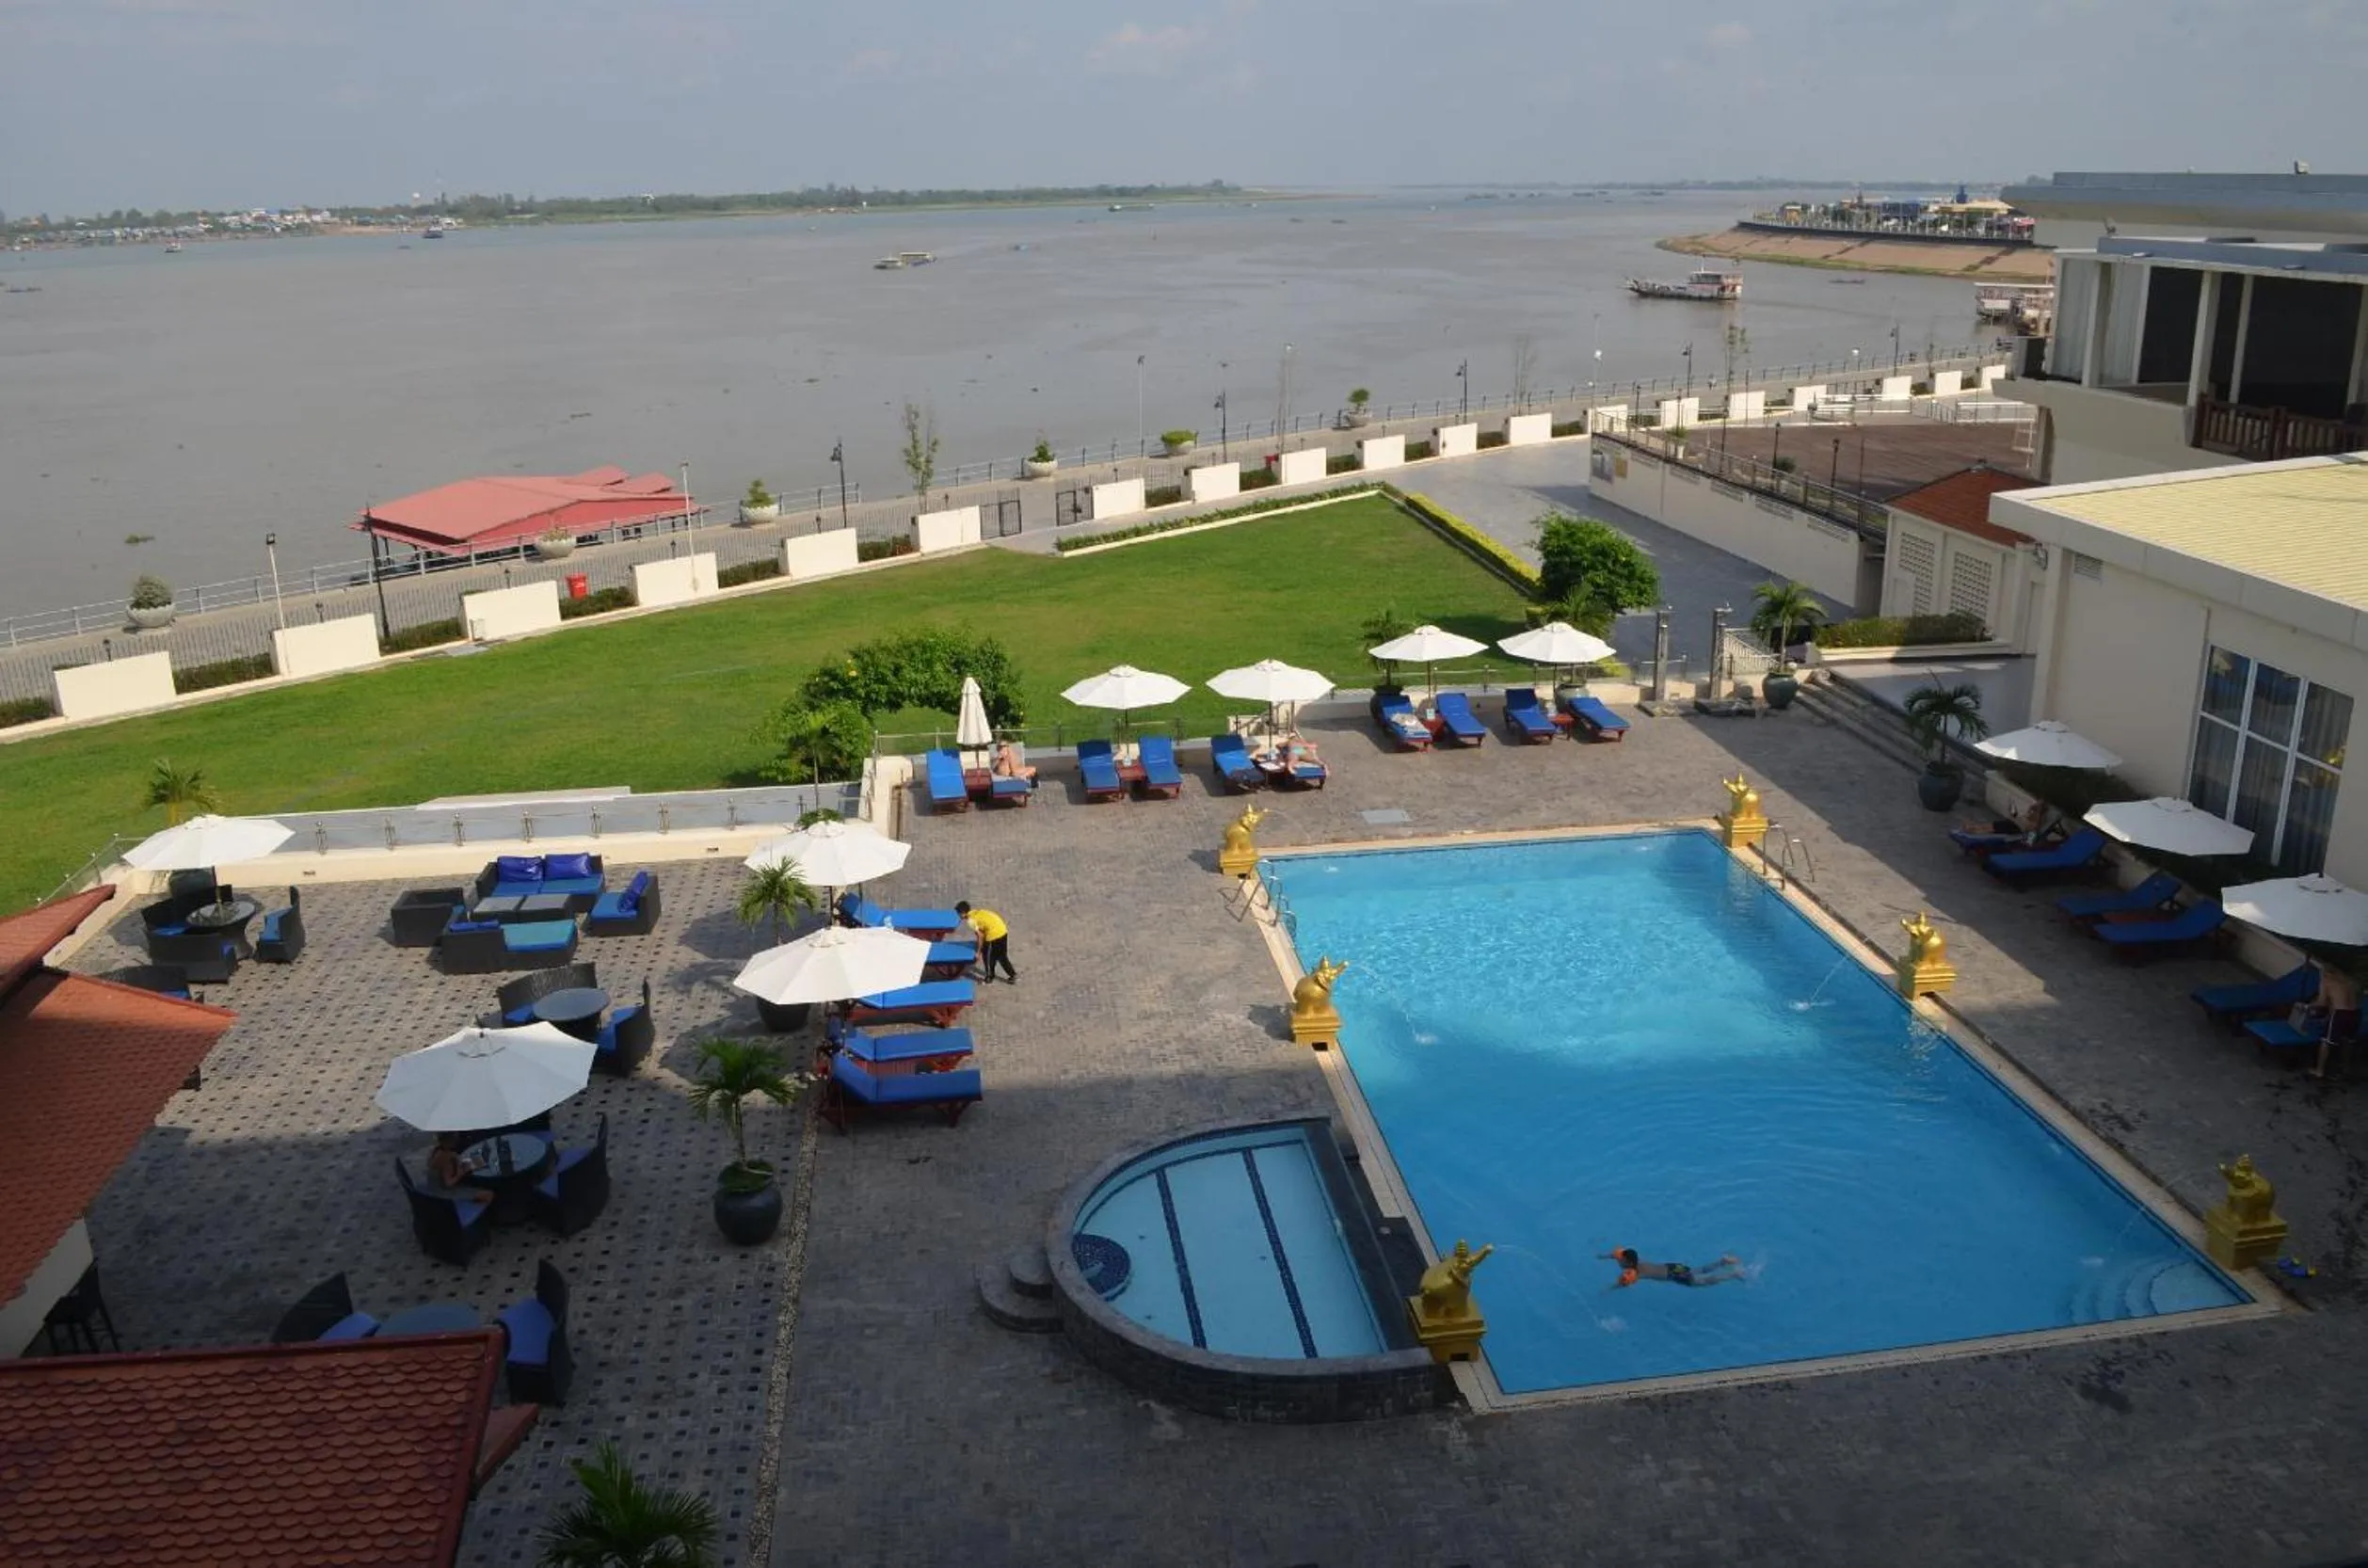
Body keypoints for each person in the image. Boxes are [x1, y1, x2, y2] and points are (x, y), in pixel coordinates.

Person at [1599, 1247, 1745, 1288]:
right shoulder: (1634, 1260)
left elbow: (1623, 1282)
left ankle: (1733, 1275)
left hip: (1675, 1275)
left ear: (1627, 1262)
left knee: (1702, 1282)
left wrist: (1610, 1288)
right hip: (1673, 1266)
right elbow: (1617, 1255)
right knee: (1697, 1270)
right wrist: (1605, 1257)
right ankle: (1723, 1262)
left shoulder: (1634, 1272)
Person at [956, 901, 1016, 984]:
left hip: (994, 935)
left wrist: (978, 951)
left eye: (958, 914)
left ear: (963, 913)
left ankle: (989, 977)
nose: (958, 916)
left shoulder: (971, 921)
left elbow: (980, 936)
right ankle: (1013, 975)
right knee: (1002, 956)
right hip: (1002, 930)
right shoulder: (976, 912)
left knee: (987, 957)